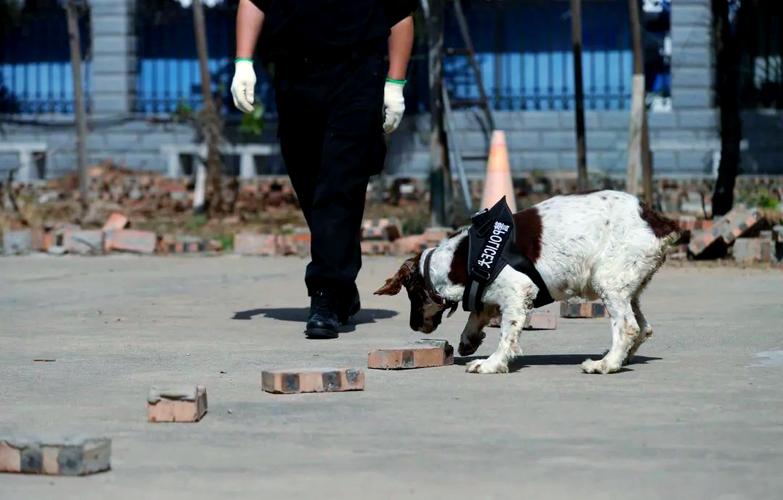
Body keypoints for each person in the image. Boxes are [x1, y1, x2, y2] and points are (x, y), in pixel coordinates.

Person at [231, 0, 417, 339]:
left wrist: (395, 84)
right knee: (309, 180)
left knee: (340, 182)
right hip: (294, 74)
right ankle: (342, 284)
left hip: (358, 74)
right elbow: (253, 1)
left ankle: (326, 295)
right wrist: (243, 62)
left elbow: (401, 15)